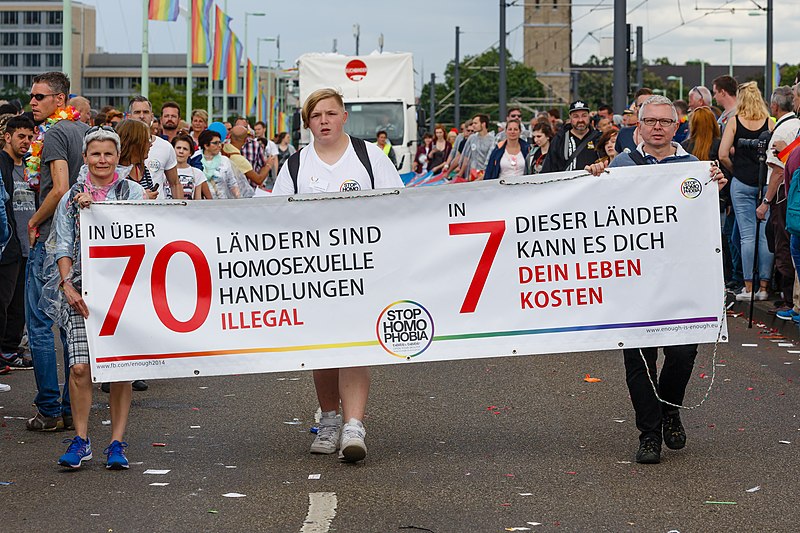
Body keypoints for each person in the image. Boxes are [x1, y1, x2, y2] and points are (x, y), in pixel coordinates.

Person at [585, 95, 727, 464]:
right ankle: (649, 434)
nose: (658, 127)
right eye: (651, 121)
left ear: (677, 126)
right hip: (634, 282)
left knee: (682, 354)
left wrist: (717, 186)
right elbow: (596, 212)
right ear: (639, 126)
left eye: (665, 121)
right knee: (640, 362)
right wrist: (592, 180)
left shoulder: (693, 166)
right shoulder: (621, 164)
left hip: (681, 280)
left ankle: (669, 408)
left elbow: (703, 217)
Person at [273, 88, 403, 463]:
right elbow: (273, 215)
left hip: (365, 270)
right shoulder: (296, 166)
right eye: (316, 116)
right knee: (324, 348)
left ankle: (353, 426)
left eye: (331, 113)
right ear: (308, 123)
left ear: (344, 116)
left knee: (354, 345)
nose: (324, 121)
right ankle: (329, 419)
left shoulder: (369, 157)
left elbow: (400, 204)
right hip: (314, 274)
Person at [53, 126, 145, 469]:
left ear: (117, 157)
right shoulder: (70, 197)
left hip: (123, 293)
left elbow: (146, 231)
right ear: (85, 157)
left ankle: (117, 443)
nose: (102, 160)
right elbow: (62, 245)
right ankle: (81, 439)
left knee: (119, 368)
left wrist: (106, 208)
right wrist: (67, 285)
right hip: (81, 293)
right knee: (79, 367)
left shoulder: (132, 192)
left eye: (108, 153)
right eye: (96, 153)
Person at [25, 71, 89, 432]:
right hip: (78, 241)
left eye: (40, 96)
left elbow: (59, 188)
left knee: (39, 322)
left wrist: (33, 222)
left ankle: (50, 408)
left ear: (60, 101)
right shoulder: (81, 131)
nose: (33, 102)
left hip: (51, 239)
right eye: (32, 96)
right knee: (69, 325)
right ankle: (67, 406)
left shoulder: (53, 134)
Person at [719, 81, 774, 301]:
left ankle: (748, 288)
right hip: (764, 184)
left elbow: (723, 154)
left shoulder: (734, 121)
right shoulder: (769, 122)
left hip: (741, 183)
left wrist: (736, 170)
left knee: (746, 236)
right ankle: (764, 287)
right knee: (764, 236)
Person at [756, 86, 800, 308]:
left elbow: (778, 171)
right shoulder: (796, 126)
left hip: (784, 196)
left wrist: (766, 201)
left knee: (783, 245)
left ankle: (788, 299)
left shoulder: (782, 132)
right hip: (791, 194)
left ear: (774, 106)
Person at [0, 116, 35, 370]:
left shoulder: (31, 165)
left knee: (19, 304)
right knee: (3, 300)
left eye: (30, 137)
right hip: (8, 244)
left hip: (28, 244)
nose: (26, 142)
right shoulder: (1, 164)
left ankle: (10, 350)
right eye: (21, 136)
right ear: (7, 136)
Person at [128, 96, 180, 200]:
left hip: (158, 211)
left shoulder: (165, 146)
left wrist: (181, 212)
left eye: (146, 112)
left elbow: (175, 184)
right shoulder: (120, 146)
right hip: (128, 210)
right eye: (137, 112)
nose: (142, 116)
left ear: (152, 117)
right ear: (129, 116)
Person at [541, 100, 601, 173]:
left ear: (589, 116)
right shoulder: (559, 139)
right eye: (576, 116)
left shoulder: (599, 138)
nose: (580, 120)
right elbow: (549, 168)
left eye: (584, 115)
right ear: (570, 118)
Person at [223, 125, 267, 194]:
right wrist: (269, 165)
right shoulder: (240, 160)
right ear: (245, 140)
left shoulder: (223, 148)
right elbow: (258, 180)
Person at [199, 129, 239, 199]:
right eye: (215, 143)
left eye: (220, 142)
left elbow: (232, 183)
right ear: (206, 145)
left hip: (222, 203)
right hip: (203, 204)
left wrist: (238, 198)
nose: (219, 146)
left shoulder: (224, 160)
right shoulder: (196, 160)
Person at [172, 133, 210, 200]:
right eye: (178, 148)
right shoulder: (164, 171)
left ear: (190, 153)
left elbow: (197, 200)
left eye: (185, 149)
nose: (181, 151)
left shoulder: (197, 173)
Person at [615, 88, 654, 154]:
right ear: (635, 109)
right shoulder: (624, 134)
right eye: (642, 105)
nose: (646, 108)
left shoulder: (663, 134)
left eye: (650, 104)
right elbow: (617, 161)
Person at [458, 114, 496, 180]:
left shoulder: (492, 140)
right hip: (472, 173)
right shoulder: (472, 138)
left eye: (475, 123)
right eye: (473, 123)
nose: (473, 125)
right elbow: (466, 157)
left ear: (483, 124)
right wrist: (460, 174)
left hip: (485, 174)